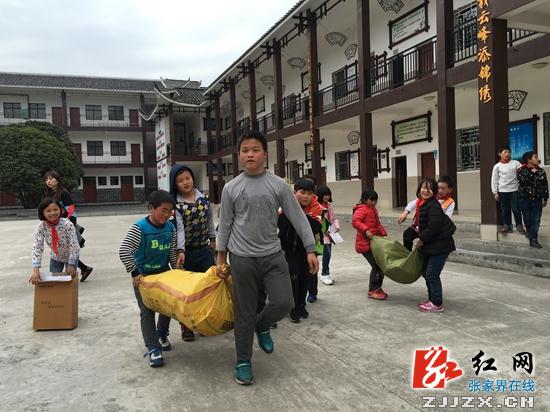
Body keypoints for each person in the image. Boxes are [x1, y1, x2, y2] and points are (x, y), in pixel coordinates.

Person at [215, 131, 318, 386]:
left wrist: (310, 248)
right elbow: (225, 224)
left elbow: (298, 217)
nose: (250, 154)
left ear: (265, 154)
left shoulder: (278, 185)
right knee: (244, 313)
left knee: (284, 302)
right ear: (239, 155)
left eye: (255, 150)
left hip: (273, 255)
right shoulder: (231, 188)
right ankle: (243, 361)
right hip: (242, 258)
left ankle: (262, 325)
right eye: (245, 150)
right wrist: (221, 258)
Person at [119, 190, 181, 367]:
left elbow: (172, 252)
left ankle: (161, 334)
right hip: (144, 278)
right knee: (147, 312)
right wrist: (135, 273)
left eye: (170, 211)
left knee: (167, 307)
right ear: (151, 208)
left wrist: (178, 272)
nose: (167, 215)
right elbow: (124, 250)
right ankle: (153, 348)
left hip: (163, 274)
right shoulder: (140, 228)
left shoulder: (170, 228)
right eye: (163, 210)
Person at [169, 164, 217, 342]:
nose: (185, 182)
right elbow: (180, 229)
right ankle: (186, 326)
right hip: (185, 253)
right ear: (175, 184)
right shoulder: (176, 205)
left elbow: (210, 220)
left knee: (207, 287)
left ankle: (203, 323)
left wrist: (213, 239)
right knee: (187, 291)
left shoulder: (204, 199)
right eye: (180, 180)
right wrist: (180, 250)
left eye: (188, 178)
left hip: (204, 250)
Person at [278, 178, 323, 323]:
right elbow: (281, 226)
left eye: (309, 193)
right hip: (288, 250)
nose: (306, 196)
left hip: (307, 250)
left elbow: (316, 227)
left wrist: (297, 215)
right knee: (293, 277)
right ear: (294, 192)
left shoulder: (316, 207)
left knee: (305, 278)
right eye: (302, 192)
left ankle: (302, 304)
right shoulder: (284, 206)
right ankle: (294, 307)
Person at [415, 178, 456, 313]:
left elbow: (434, 227)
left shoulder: (433, 206)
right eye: (423, 187)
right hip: (432, 245)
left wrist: (421, 239)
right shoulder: (425, 203)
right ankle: (432, 299)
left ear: (434, 191)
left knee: (432, 274)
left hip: (440, 246)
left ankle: (436, 303)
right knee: (426, 272)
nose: (426, 191)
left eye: (429, 189)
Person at [44, 171, 93, 281]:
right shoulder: (49, 193)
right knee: (63, 249)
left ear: (57, 180)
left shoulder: (63, 193)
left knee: (68, 249)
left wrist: (71, 223)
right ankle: (85, 268)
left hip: (65, 225)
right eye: (46, 179)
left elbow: (70, 208)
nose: (48, 181)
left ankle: (82, 269)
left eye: (51, 179)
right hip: (54, 226)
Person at [398, 176, 456, 251]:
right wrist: (405, 212)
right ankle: (408, 254)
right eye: (438, 188)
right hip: (419, 226)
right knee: (407, 235)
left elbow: (443, 220)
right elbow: (413, 203)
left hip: (432, 228)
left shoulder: (449, 202)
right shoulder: (426, 196)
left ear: (450, 190)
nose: (440, 190)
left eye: (443, 188)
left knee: (426, 244)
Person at [30, 198, 79, 284]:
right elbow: (37, 246)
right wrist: (35, 268)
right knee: (54, 281)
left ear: (60, 210)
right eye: (48, 211)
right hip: (55, 257)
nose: (52, 213)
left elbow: (74, 245)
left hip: (71, 256)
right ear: (42, 212)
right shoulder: (42, 227)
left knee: (69, 281)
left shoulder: (67, 224)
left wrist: (71, 264)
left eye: (55, 209)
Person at [352, 189, 388, 300]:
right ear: (364, 199)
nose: (373, 202)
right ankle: (372, 290)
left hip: (373, 243)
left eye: (375, 200)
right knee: (377, 266)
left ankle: (378, 288)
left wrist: (383, 233)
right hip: (365, 245)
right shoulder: (361, 209)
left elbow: (378, 224)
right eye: (371, 200)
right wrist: (366, 230)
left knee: (381, 265)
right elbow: (355, 221)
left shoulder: (373, 210)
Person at [517, 151, 548, 248]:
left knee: (536, 219)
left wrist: (545, 198)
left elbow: (545, 185)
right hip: (524, 199)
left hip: (537, 199)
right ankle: (530, 232)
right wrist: (531, 173)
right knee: (527, 218)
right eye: (535, 157)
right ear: (529, 160)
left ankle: (533, 239)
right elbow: (523, 182)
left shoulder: (541, 171)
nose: (538, 159)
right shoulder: (521, 170)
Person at [491, 146, 524, 234]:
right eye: (505, 152)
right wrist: (495, 192)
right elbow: (494, 180)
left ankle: (519, 225)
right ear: (500, 154)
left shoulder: (516, 163)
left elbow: (522, 175)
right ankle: (507, 225)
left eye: (509, 152)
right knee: (505, 210)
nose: (507, 154)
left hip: (514, 190)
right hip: (502, 191)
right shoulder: (497, 166)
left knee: (516, 209)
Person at [317, 185, 340, 286]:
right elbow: (316, 220)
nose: (327, 197)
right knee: (324, 254)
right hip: (321, 235)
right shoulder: (317, 206)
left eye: (328, 195)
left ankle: (325, 274)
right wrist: (323, 230)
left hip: (330, 234)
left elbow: (334, 218)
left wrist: (336, 226)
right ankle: (323, 274)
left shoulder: (329, 205)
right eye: (325, 195)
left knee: (328, 254)